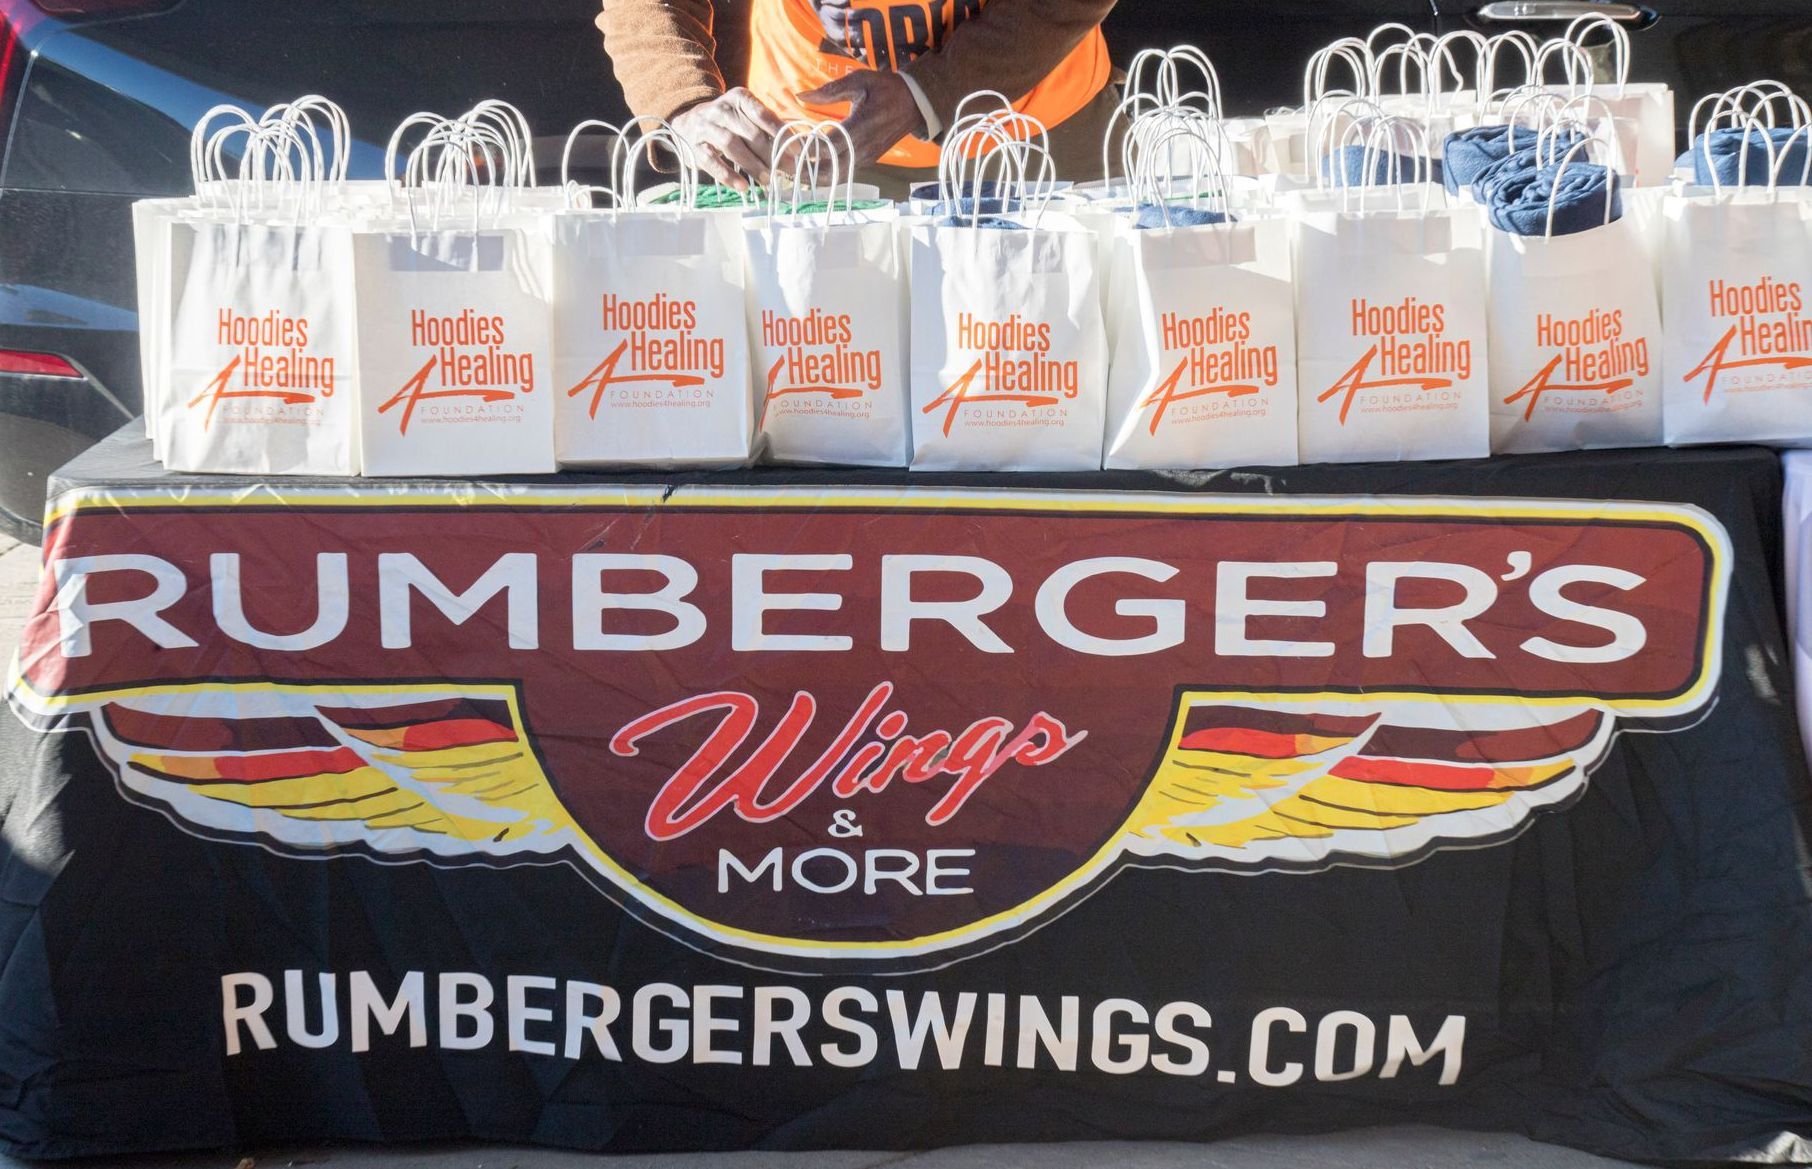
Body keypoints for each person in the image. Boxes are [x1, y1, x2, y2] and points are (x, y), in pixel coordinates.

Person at [597, 0, 1118, 198]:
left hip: (1036, 130)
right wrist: (683, 103)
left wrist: (928, 91)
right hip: (810, 152)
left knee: (1040, 396)